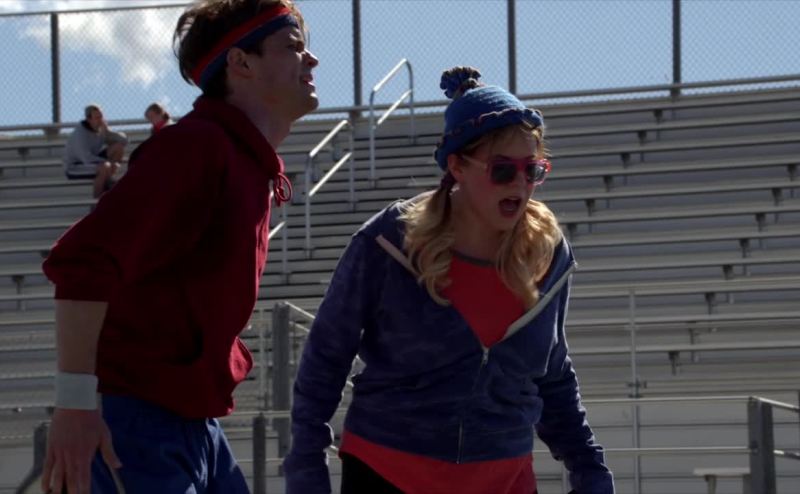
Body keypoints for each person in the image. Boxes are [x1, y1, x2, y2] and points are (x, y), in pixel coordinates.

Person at [284, 66, 615, 494]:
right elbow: (325, 359)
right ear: (457, 165)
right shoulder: (388, 241)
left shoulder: (549, 254)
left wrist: (590, 469)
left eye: (532, 170)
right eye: (502, 170)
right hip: (388, 473)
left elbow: (553, 375)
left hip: (504, 480)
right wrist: (306, 469)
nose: (520, 184)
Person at [40, 0, 318, 492]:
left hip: (192, 424)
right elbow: (82, 261)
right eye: (293, 46)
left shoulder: (243, 160)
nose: (311, 59)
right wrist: (75, 405)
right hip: (135, 423)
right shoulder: (197, 147)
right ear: (241, 63)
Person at [63, 104, 128, 198]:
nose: (100, 120)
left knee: (118, 147)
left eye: (101, 116)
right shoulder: (80, 134)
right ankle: (97, 201)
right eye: (97, 118)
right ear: (89, 119)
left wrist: (108, 131)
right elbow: (86, 158)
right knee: (104, 167)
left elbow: (124, 141)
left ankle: (108, 181)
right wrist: (109, 164)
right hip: (75, 166)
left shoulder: (101, 128)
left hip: (94, 159)